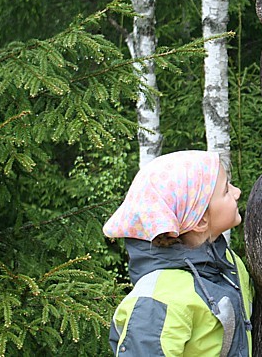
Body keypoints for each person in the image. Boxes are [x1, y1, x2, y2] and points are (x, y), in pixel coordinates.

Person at [103, 150, 252, 357]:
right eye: (226, 191)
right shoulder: (158, 300)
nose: (237, 192)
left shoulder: (227, 261)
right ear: (200, 221)